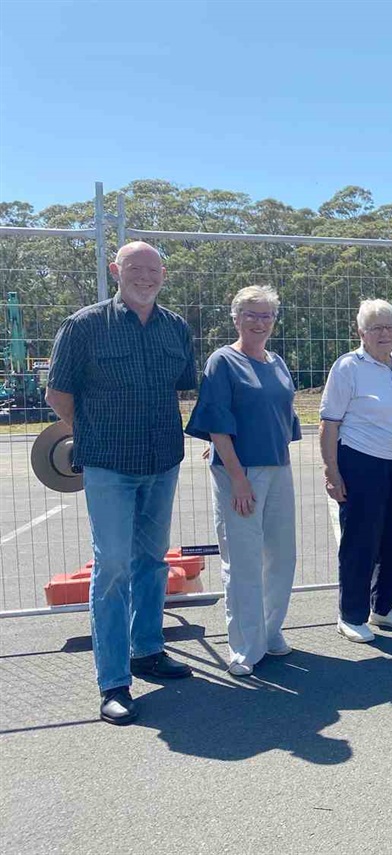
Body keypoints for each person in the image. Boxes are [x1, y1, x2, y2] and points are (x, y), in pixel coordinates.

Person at [45, 241, 196, 725]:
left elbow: (183, 386)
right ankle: (114, 681)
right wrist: (94, 434)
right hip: (109, 465)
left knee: (151, 560)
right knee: (111, 567)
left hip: (162, 461)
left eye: (153, 270)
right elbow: (58, 393)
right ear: (116, 271)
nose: (145, 277)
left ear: (163, 274)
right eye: (135, 268)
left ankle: (147, 650)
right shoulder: (85, 325)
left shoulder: (176, 328)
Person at [186, 286, 302, 676]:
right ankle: (243, 646)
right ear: (235, 318)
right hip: (240, 475)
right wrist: (236, 477)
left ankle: (269, 632)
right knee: (244, 561)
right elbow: (217, 421)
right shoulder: (222, 361)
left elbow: (282, 419)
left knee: (282, 556)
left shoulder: (277, 362)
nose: (259, 321)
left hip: (278, 469)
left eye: (266, 314)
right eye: (250, 314)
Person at [320, 299, 392, 643]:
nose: (384, 333)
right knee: (361, 541)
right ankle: (351, 614)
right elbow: (329, 423)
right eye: (376, 327)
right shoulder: (348, 367)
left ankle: (384, 607)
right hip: (363, 462)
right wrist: (331, 470)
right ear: (361, 332)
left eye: (389, 326)